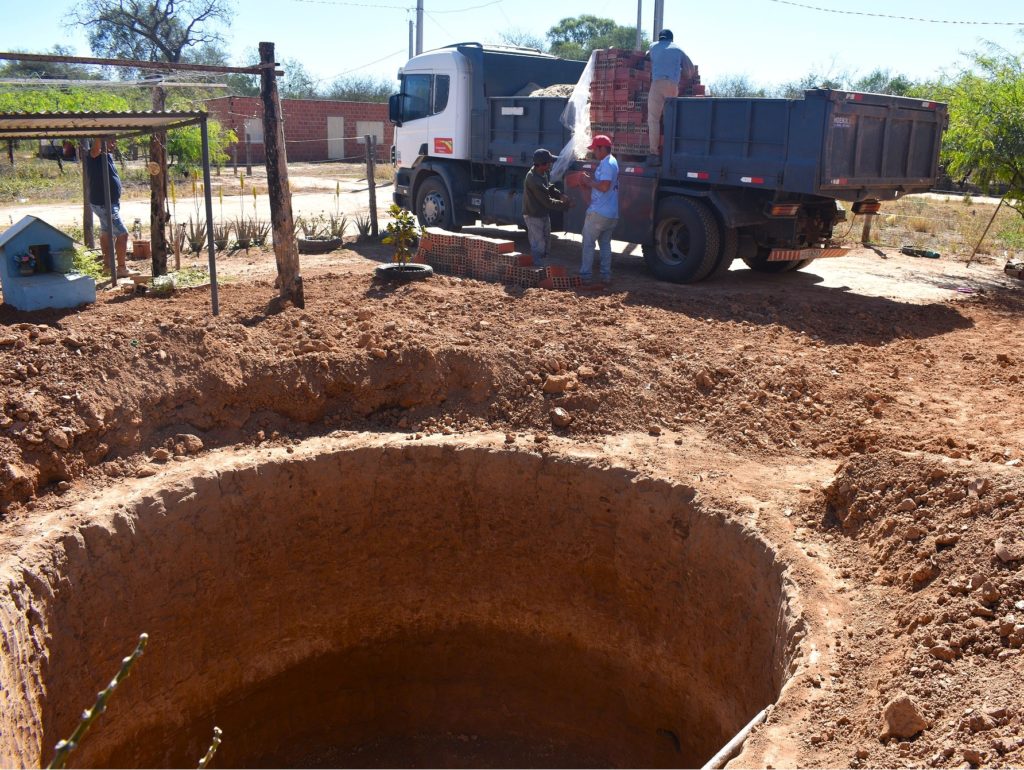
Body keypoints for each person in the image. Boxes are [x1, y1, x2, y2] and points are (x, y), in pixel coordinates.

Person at [646, 28, 696, 165]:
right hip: (672, 85)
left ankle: (654, 154)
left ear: (660, 38)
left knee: (653, 119)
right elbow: (690, 70)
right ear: (671, 39)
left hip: (657, 83)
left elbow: (647, 56)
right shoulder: (678, 49)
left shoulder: (652, 46)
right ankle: (670, 152)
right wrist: (685, 75)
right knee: (670, 120)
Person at [87, 137, 132, 278]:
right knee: (122, 234)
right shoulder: (94, 155)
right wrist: (101, 136)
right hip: (104, 204)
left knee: (107, 233)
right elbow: (95, 150)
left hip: (108, 203)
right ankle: (121, 268)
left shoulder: (107, 156)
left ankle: (107, 267)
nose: (114, 143)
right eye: (111, 140)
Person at [578, 134, 619, 286]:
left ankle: (585, 276)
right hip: (612, 214)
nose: (594, 152)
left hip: (599, 213)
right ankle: (605, 276)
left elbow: (604, 186)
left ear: (603, 148)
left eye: (596, 149)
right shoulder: (612, 161)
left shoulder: (607, 163)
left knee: (588, 244)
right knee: (605, 244)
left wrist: (588, 182)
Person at [522, 148, 571, 265]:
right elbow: (547, 202)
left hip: (542, 213)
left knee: (546, 242)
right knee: (538, 245)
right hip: (533, 216)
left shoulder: (542, 173)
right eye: (549, 162)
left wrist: (560, 195)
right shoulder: (533, 179)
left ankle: (543, 266)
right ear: (542, 164)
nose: (551, 164)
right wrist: (565, 204)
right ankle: (537, 271)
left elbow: (548, 187)